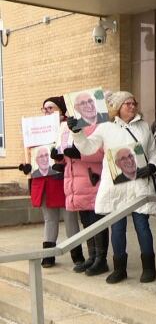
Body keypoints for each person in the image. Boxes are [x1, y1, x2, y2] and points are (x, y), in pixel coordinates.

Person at [70, 91, 156, 284]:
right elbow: (87, 148)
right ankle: (120, 268)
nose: (132, 106)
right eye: (127, 103)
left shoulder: (143, 126)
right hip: (116, 188)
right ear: (117, 108)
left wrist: (152, 166)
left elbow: (153, 151)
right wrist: (77, 132)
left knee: (142, 227)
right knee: (117, 229)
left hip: (138, 186)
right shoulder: (106, 127)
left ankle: (149, 267)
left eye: (133, 102)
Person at [18, 97, 85, 269]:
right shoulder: (36, 128)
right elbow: (30, 151)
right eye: (44, 108)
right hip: (43, 180)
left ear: (61, 111)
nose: (46, 111)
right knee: (50, 219)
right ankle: (49, 254)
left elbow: (78, 149)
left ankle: (76, 254)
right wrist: (27, 166)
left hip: (63, 177)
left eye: (50, 108)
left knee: (70, 218)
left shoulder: (69, 126)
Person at [55, 93, 110, 276]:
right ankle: (92, 256)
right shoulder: (68, 126)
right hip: (75, 181)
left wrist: (80, 155)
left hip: (91, 179)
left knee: (97, 221)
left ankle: (101, 259)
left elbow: (102, 152)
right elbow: (65, 149)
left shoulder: (98, 124)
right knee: (86, 221)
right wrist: (59, 158)